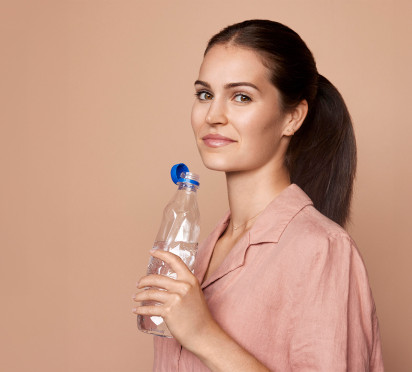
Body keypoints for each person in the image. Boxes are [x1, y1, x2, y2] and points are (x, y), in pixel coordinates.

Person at [132, 19, 384, 371]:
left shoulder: (321, 249)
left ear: (292, 117)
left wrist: (203, 334)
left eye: (241, 96)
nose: (213, 115)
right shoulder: (201, 253)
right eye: (205, 94)